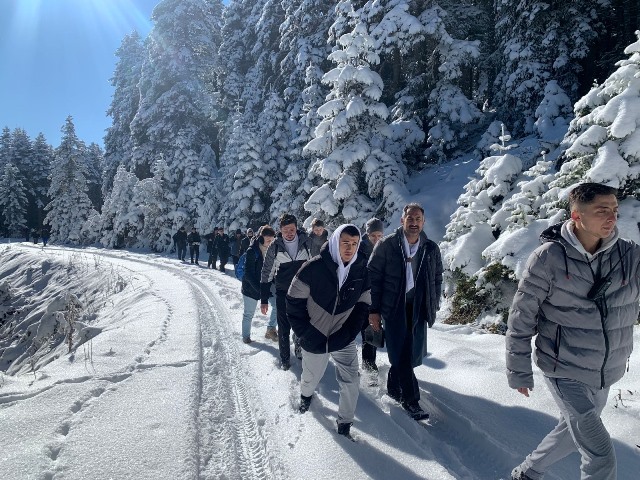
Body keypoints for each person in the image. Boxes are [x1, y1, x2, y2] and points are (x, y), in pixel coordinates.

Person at [506, 183, 639, 480]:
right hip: (563, 368)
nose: (612, 218)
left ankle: (527, 474)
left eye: (614, 210)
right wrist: (518, 368)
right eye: (602, 210)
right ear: (576, 215)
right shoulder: (548, 258)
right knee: (600, 454)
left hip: (605, 370)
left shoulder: (628, 256)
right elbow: (522, 315)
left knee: (571, 431)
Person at [287, 224, 371, 439]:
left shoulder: (361, 270)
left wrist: (349, 332)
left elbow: (363, 304)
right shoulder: (313, 268)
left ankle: (345, 423)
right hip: (314, 336)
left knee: (351, 380)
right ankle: (306, 396)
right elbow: (293, 301)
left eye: (354, 244)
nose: (350, 248)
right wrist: (305, 332)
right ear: (335, 242)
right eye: (345, 243)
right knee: (310, 378)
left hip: (343, 337)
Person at [368, 203, 443, 421]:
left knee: (407, 353)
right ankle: (411, 400)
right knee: (400, 352)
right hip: (393, 307)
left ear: (423, 222)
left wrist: (433, 302)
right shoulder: (387, 245)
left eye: (418, 219)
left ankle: (393, 387)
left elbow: (437, 278)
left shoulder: (430, 249)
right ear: (402, 220)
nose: (414, 222)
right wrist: (373, 310)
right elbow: (373, 277)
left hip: (418, 307)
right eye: (410, 218)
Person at [260, 213, 312, 370]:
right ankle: (284, 359)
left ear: (296, 228)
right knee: (283, 327)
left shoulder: (307, 243)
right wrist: (263, 299)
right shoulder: (275, 247)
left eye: (292, 229)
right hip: (283, 293)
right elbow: (266, 273)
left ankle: (299, 346)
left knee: (303, 324)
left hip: (304, 293)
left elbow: (316, 265)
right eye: (286, 230)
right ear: (280, 230)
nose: (289, 233)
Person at [241, 226, 278, 343]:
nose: (271, 243)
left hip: (267, 284)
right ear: (261, 238)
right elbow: (248, 274)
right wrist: (261, 291)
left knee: (278, 304)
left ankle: (270, 330)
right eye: (268, 240)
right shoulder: (252, 251)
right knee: (248, 314)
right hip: (251, 287)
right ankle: (246, 337)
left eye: (272, 240)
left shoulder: (272, 250)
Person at [360, 217, 384, 372]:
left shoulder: (384, 248)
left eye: (379, 236)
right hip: (361, 297)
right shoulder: (359, 249)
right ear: (367, 234)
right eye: (373, 236)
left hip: (377, 297)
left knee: (373, 329)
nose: (376, 239)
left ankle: (369, 364)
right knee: (362, 328)